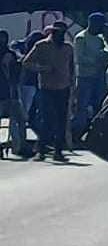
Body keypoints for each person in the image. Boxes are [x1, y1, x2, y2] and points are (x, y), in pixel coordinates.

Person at [22, 21, 74, 162]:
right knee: (47, 120)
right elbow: (26, 62)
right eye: (57, 32)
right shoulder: (41, 46)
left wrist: (73, 86)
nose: (60, 35)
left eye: (62, 33)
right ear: (52, 32)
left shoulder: (68, 47)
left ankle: (58, 151)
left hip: (64, 87)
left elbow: (72, 67)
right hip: (47, 88)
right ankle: (41, 149)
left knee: (62, 120)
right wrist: (42, 68)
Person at [72, 12, 108, 141]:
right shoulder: (81, 38)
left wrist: (104, 53)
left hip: (98, 76)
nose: (102, 28)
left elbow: (107, 49)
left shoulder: (100, 37)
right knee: (82, 107)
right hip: (85, 77)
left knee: (99, 105)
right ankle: (77, 134)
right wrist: (96, 59)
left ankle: (95, 134)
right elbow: (79, 58)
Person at [0, 30, 26, 156]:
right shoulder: (9, 54)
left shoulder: (10, 54)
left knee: (18, 120)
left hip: (9, 92)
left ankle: (18, 146)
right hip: (7, 92)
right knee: (17, 120)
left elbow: (16, 72)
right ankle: (18, 146)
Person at [15, 30, 46, 126]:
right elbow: (15, 47)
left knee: (35, 109)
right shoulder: (22, 47)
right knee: (26, 108)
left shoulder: (42, 50)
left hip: (37, 84)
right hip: (28, 83)